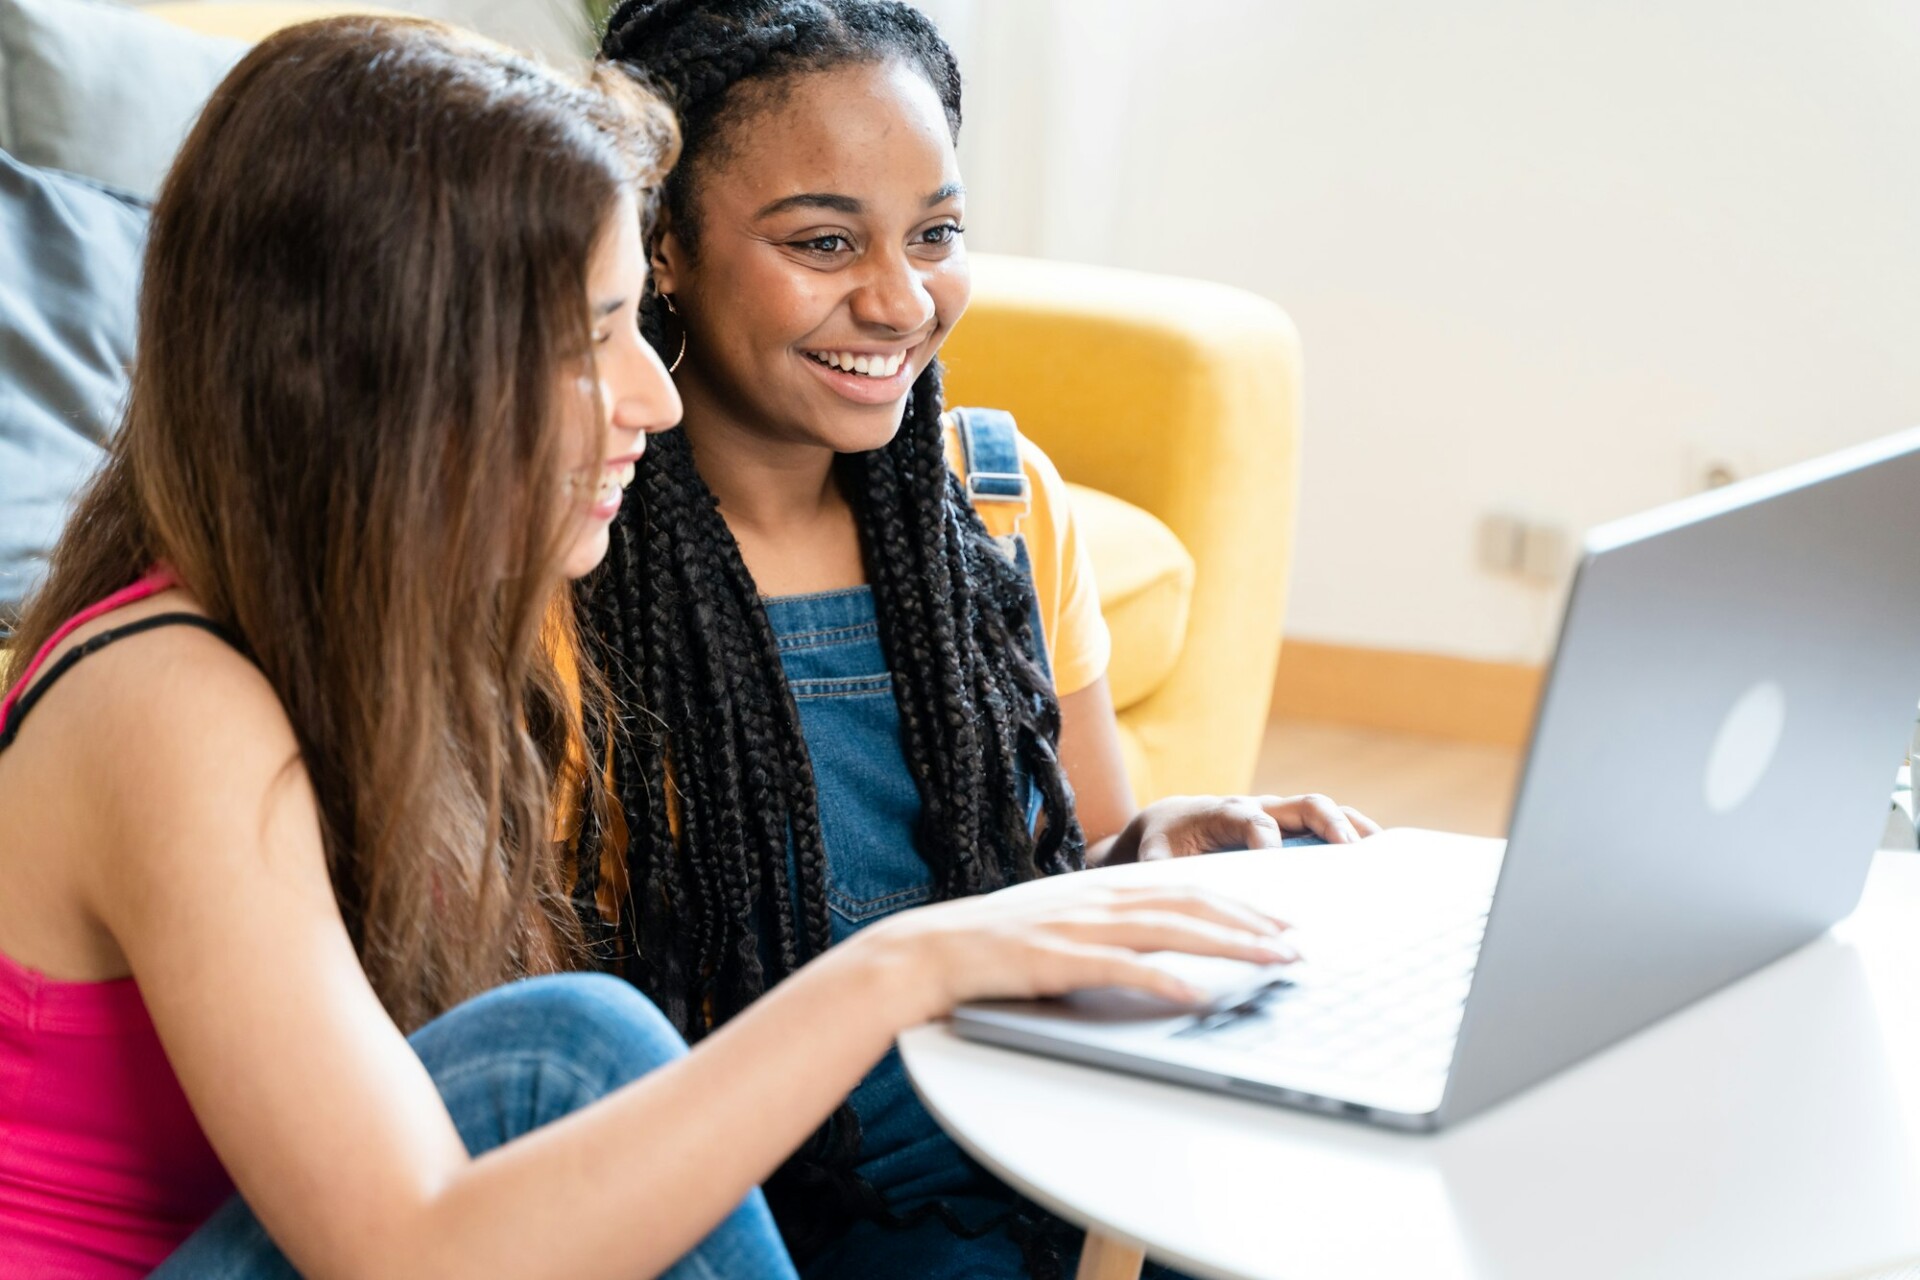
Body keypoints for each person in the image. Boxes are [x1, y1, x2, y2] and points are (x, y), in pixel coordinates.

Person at [0, 17, 1305, 1280]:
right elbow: (412, 1245)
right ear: (376, 371)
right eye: (589, 340)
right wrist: (905, 964)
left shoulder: (390, 635)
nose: (655, 393)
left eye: (635, 322)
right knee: (568, 1052)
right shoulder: (169, 700)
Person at [584, 3, 1380, 1274]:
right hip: (759, 1213)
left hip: (1030, 1162)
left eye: (938, 233)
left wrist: (1148, 850)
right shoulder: (583, 545)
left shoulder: (999, 504)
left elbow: (1080, 865)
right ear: (662, 245)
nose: (900, 299)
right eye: (825, 240)